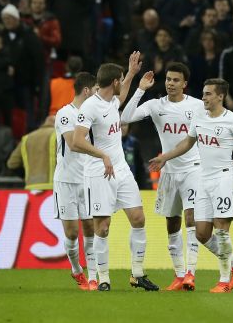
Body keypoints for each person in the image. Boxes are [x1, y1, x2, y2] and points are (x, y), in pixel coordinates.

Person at [149, 78, 233, 293]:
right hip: (203, 178)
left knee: (221, 230)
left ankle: (224, 280)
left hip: (225, 178)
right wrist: (165, 157)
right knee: (201, 233)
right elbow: (186, 143)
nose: (204, 98)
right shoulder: (199, 117)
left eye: (208, 94)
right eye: (203, 93)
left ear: (220, 96)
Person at [71, 54, 159, 292]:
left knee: (139, 218)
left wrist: (131, 73)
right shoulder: (90, 107)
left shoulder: (111, 101)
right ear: (114, 82)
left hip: (120, 168)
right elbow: (76, 142)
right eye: (121, 79)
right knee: (103, 227)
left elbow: (122, 96)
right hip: (98, 171)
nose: (123, 83)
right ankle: (103, 278)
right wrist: (103, 155)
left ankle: (138, 274)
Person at [121, 62, 205, 291]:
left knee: (191, 218)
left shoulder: (198, 106)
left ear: (185, 84)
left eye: (176, 80)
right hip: (169, 171)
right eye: (168, 79)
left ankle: (190, 274)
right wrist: (140, 89)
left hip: (193, 169)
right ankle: (179, 275)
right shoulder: (156, 105)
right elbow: (125, 118)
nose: (171, 83)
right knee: (172, 222)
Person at [53, 72, 98, 291]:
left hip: (88, 180)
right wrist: (103, 154)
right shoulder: (65, 113)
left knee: (90, 227)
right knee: (72, 233)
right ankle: (75, 269)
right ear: (87, 90)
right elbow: (72, 144)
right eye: (96, 90)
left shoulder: (94, 114)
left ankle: (92, 277)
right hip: (67, 180)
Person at [6, 115, 57, 190]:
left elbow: (12, 164)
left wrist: (27, 174)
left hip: (30, 187)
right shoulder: (60, 135)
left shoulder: (27, 138)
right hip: (53, 188)